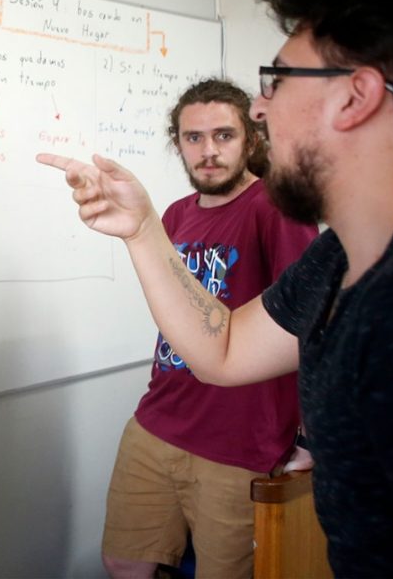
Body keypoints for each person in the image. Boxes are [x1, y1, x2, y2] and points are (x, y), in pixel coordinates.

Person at [37, 0, 393, 576]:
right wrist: (143, 228)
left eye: (278, 81)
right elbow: (227, 348)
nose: (262, 108)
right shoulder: (338, 261)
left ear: (356, 97)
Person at [100, 79, 317, 579]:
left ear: (251, 140)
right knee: (124, 560)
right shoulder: (175, 215)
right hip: (158, 421)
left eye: (223, 135)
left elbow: (314, 323)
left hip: (240, 442)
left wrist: (311, 436)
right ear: (178, 144)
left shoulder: (274, 207)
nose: (209, 151)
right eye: (194, 138)